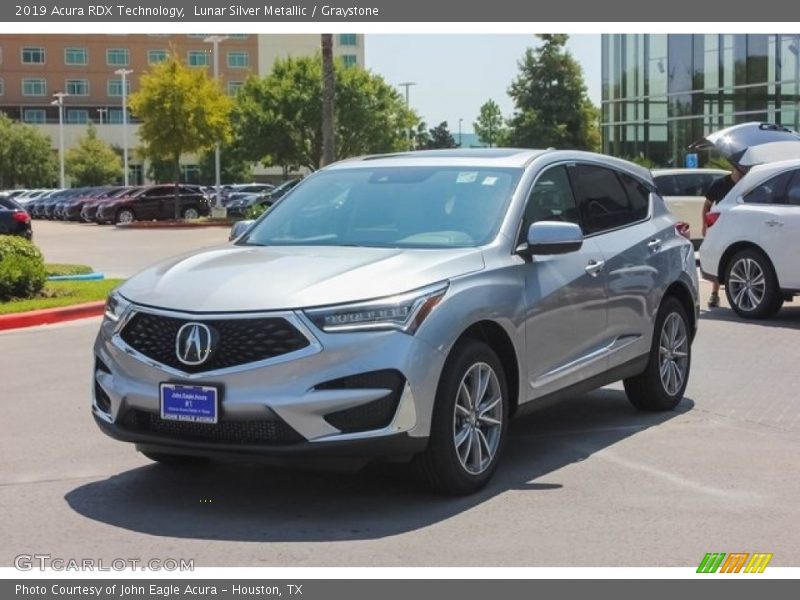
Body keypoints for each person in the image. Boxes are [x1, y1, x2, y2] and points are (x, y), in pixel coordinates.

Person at [702, 164, 745, 307]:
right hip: (722, 225)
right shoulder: (720, 184)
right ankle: (714, 294)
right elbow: (707, 204)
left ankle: (741, 293)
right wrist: (704, 225)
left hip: (742, 226)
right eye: (740, 168)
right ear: (733, 168)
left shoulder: (747, 183)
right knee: (718, 257)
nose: (742, 171)